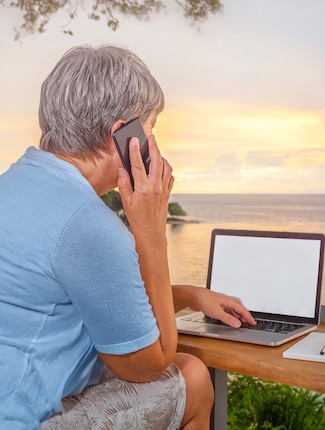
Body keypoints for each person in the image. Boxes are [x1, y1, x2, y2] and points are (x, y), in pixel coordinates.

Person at [0, 44, 256, 429]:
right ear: (122, 136)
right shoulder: (88, 223)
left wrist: (189, 295)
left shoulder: (17, 183)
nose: (155, 144)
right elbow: (147, 365)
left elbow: (95, 295)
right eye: (150, 129)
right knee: (193, 378)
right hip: (22, 419)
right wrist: (151, 231)